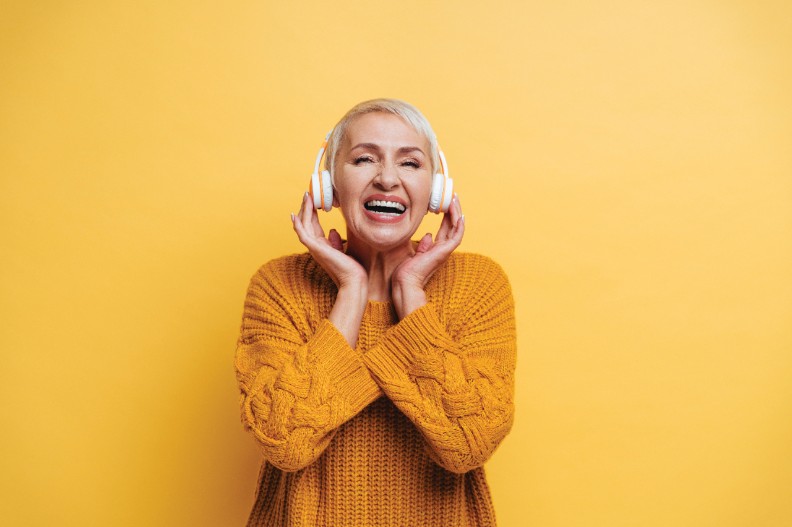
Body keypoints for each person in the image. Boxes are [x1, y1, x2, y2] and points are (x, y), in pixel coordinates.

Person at [235, 98, 517, 526]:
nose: (387, 179)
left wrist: (410, 292)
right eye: (364, 159)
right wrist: (351, 290)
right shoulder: (279, 286)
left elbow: (468, 442)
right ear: (328, 183)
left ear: (436, 190)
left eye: (410, 164)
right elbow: (286, 442)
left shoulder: (478, 286)